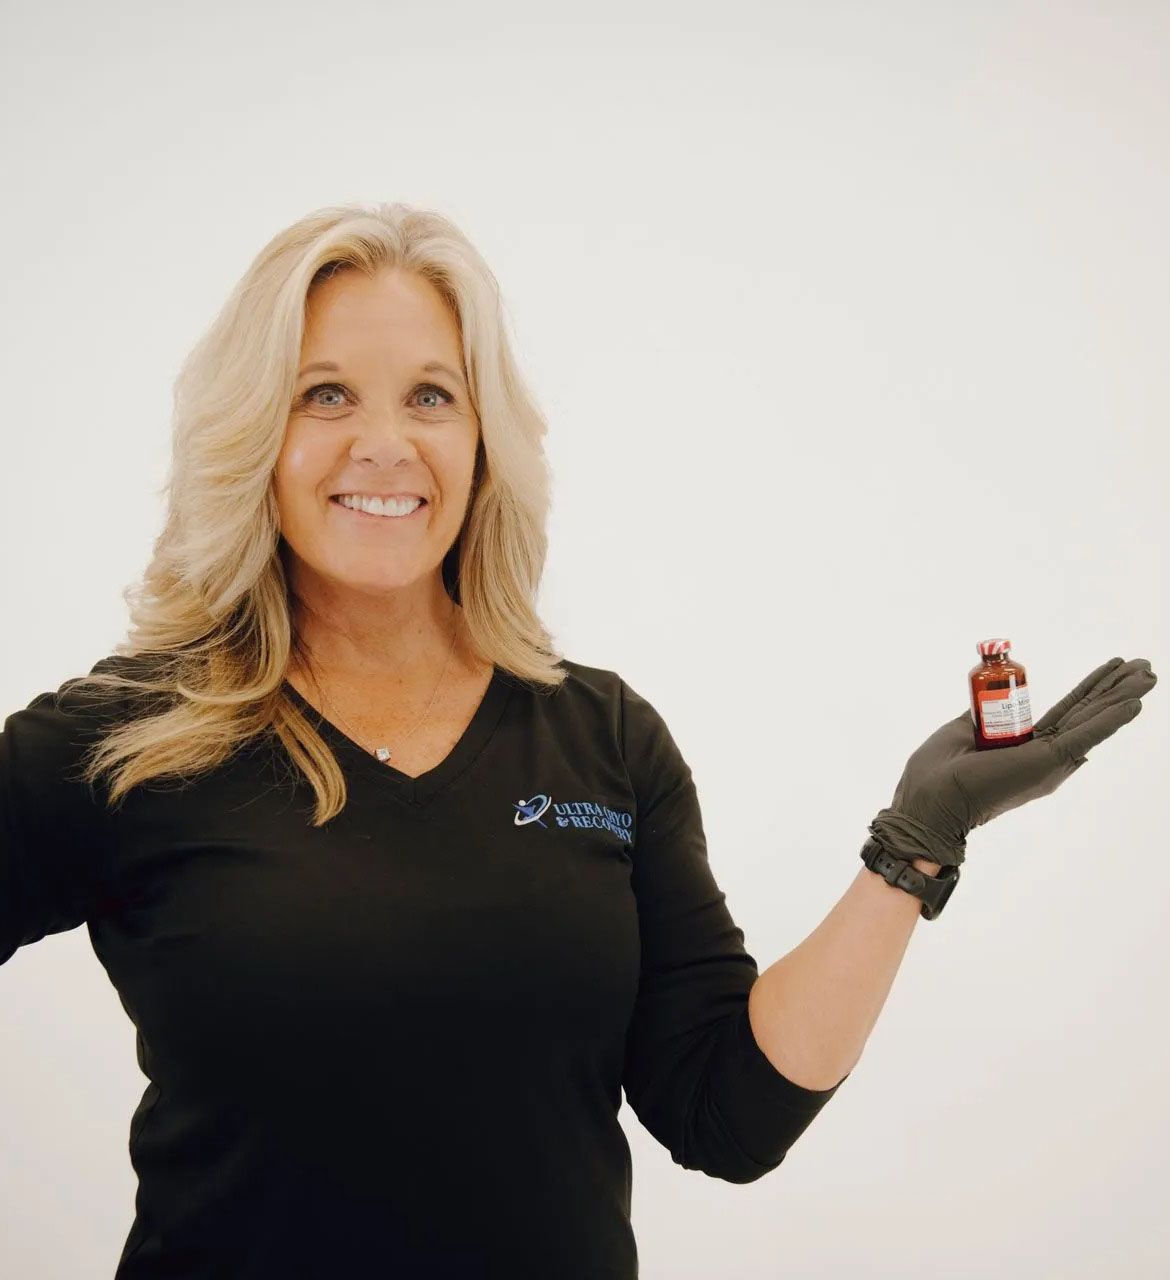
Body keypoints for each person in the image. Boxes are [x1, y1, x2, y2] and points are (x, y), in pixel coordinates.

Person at [1, 202, 1156, 1279]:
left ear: (486, 436)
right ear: (253, 428)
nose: (386, 444)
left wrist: (915, 840)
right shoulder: (134, 738)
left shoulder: (599, 735)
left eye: (432, 396)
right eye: (325, 394)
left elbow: (726, 1112)